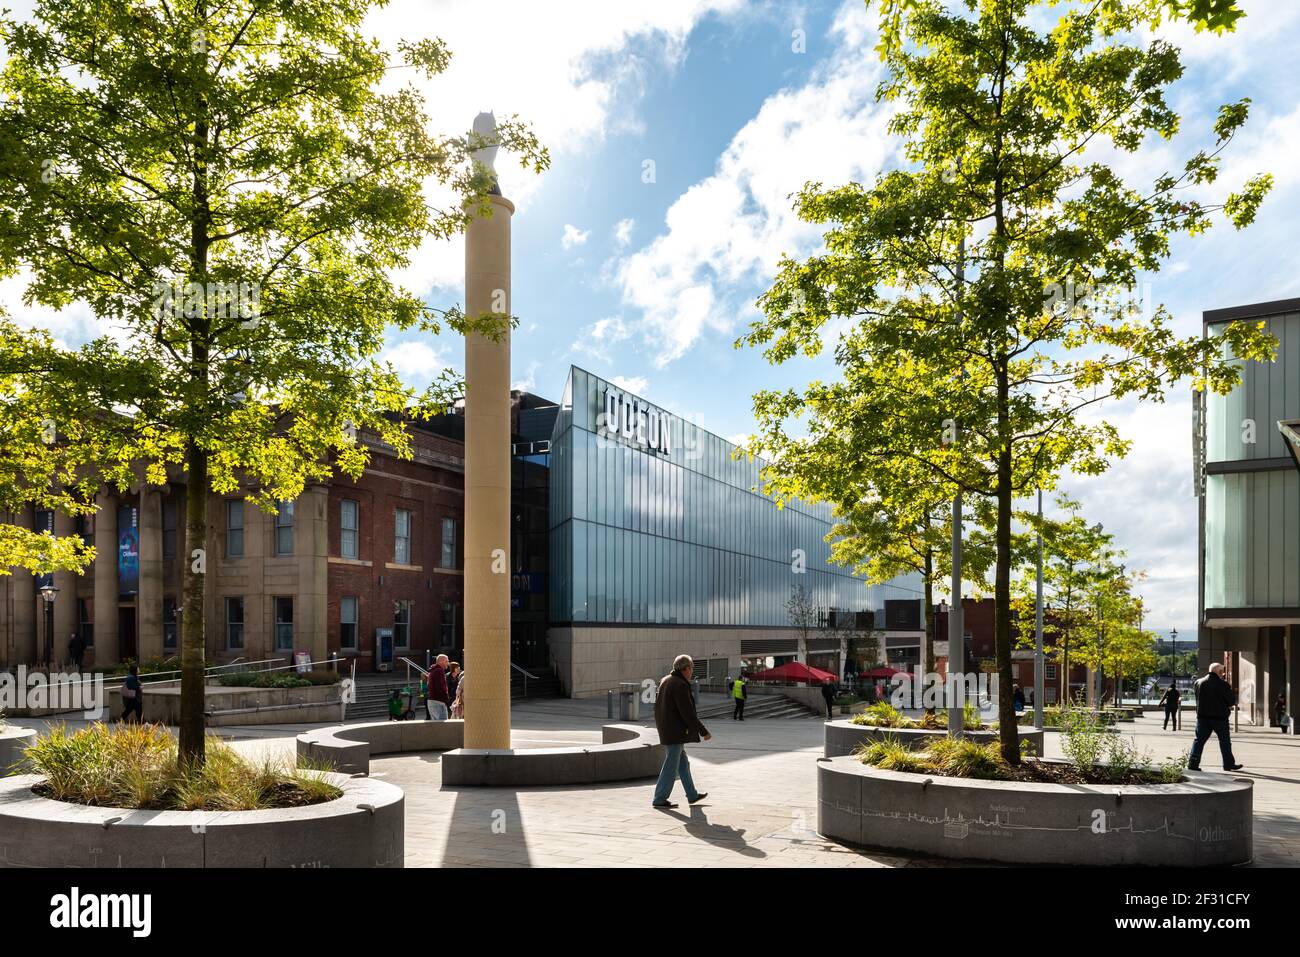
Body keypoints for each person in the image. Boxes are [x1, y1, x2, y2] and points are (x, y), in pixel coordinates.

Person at [652, 655, 711, 809]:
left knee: (683, 764)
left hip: (668, 729)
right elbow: (688, 713)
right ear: (685, 669)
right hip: (675, 732)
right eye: (691, 668)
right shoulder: (680, 685)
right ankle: (659, 798)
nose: (692, 672)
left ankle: (692, 794)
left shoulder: (666, 680)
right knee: (671, 765)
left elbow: (657, 707)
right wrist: (703, 731)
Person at [1188, 663, 1242, 772]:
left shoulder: (1198, 682)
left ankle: (1193, 764)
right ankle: (1228, 764)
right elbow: (1231, 701)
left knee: (1198, 741)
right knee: (1225, 741)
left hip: (1202, 718)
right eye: (1222, 672)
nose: (1223, 674)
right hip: (1220, 718)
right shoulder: (1223, 684)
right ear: (1219, 672)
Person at [426, 654, 451, 721]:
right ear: (441, 661)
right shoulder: (439, 671)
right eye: (446, 661)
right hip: (438, 702)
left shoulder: (433, 670)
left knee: (436, 726)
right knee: (442, 727)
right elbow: (440, 687)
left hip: (432, 701)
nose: (448, 663)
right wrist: (446, 700)